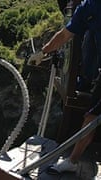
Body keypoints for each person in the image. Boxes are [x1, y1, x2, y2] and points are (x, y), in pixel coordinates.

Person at [28, 0, 101, 174]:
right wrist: (43, 52)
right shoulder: (89, 7)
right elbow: (66, 34)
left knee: (91, 118)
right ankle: (73, 161)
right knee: (91, 118)